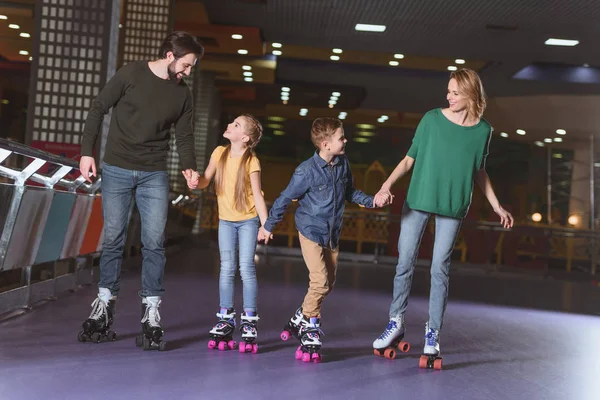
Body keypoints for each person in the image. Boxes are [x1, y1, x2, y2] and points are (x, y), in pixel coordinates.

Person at [371, 69, 514, 365]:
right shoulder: (431, 119)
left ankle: (432, 332)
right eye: (448, 91)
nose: (448, 97)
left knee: (440, 269)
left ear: (472, 95)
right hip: (418, 199)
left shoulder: (483, 131)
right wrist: (385, 186)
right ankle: (395, 321)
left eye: (455, 93)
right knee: (404, 263)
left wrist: (497, 206)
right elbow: (409, 159)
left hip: (453, 205)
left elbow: (479, 171)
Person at [77, 31, 204, 350]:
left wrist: (189, 165)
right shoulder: (131, 74)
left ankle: (151, 311)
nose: (188, 72)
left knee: (154, 243)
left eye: (192, 67)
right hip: (117, 167)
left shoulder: (183, 95)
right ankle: (104, 305)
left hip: (154, 173)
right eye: (187, 65)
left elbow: (185, 136)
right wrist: (87, 151)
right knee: (113, 239)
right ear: (170, 56)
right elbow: (98, 108)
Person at [259, 117, 389, 363]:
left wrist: (372, 200)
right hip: (310, 230)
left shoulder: (343, 164)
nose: (346, 140)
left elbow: (350, 192)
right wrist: (268, 227)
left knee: (328, 284)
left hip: (332, 232)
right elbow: (285, 198)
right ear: (326, 144)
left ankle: (300, 316)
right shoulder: (305, 171)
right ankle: (310, 327)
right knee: (319, 281)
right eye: (342, 137)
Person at [188, 114, 267, 353]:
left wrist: (266, 225)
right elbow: (205, 181)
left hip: (248, 221)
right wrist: (195, 181)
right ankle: (225, 317)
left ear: (244, 137)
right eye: (231, 122)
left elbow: (258, 195)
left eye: (236, 125)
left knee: (246, 268)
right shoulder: (218, 153)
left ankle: (250, 321)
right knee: (226, 268)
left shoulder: (252, 161)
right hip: (225, 221)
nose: (229, 125)